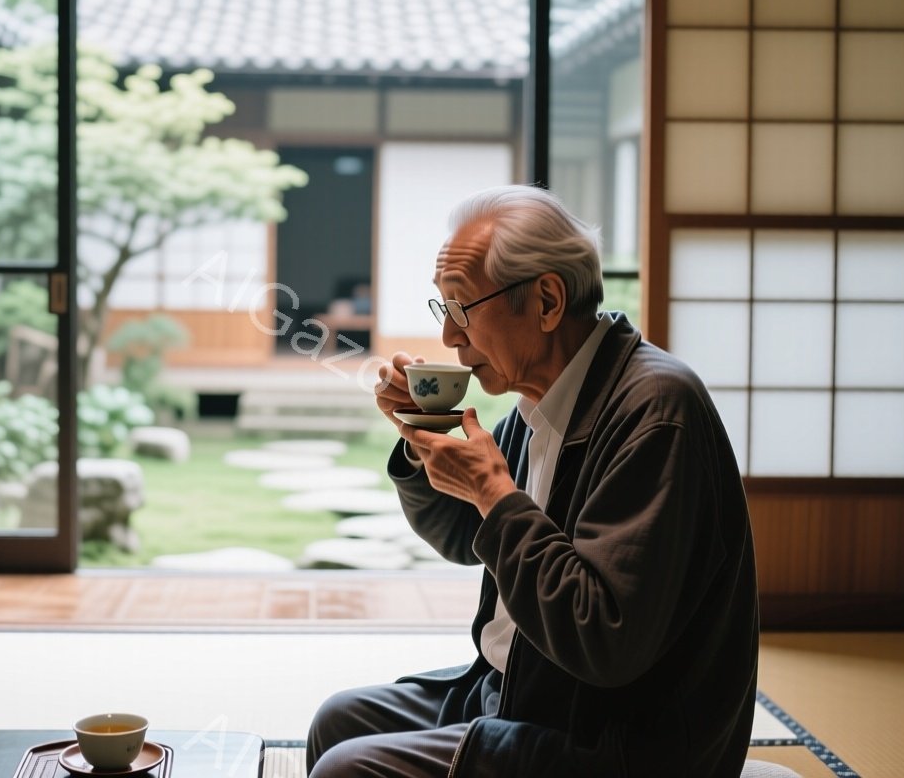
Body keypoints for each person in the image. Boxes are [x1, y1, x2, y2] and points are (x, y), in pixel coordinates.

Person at [306, 185, 758, 778]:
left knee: (347, 769)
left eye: (462, 308)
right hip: (521, 690)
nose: (450, 337)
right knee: (338, 720)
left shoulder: (654, 410)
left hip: (614, 737)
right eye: (444, 310)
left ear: (547, 301)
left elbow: (603, 638)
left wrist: (495, 493)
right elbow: (462, 534)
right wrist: (421, 438)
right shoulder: (543, 400)